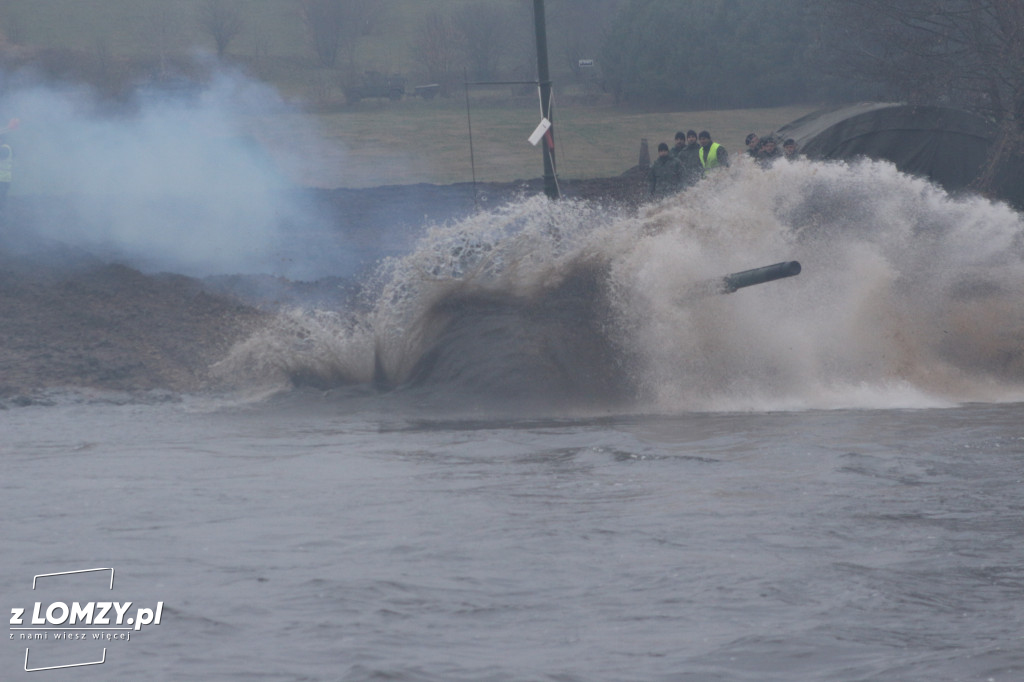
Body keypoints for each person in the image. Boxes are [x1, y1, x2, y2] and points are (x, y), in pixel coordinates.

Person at [0, 137, 12, 224]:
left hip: (3, 180)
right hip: (3, 180)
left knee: (2, 200)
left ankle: (3, 219)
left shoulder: (5, 149)